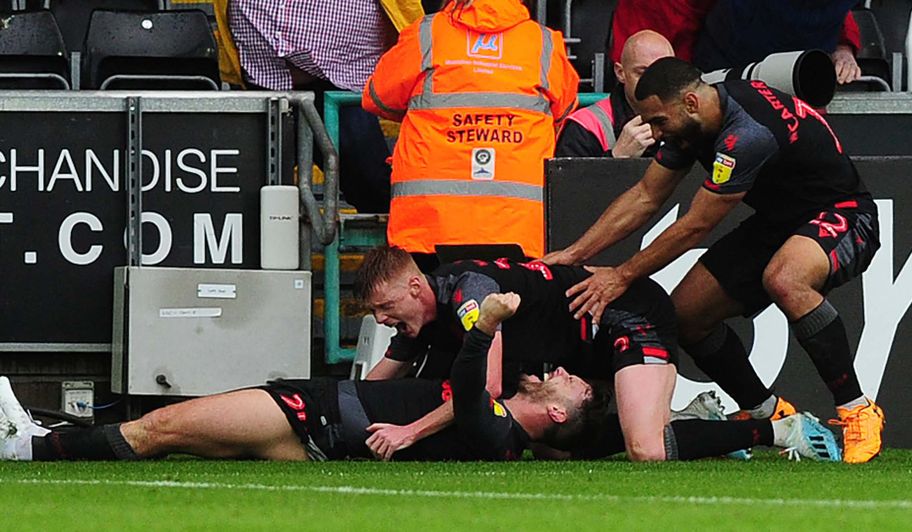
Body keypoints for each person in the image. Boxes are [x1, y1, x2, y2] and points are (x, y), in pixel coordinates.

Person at [544, 57, 884, 463]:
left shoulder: (748, 134)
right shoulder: (691, 121)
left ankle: (857, 410)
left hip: (844, 213)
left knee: (786, 278)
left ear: (690, 102)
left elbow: (696, 226)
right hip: (779, 222)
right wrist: (575, 253)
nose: (655, 134)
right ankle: (768, 412)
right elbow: (645, 196)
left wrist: (621, 275)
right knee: (687, 316)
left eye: (658, 122)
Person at [356, 246, 840, 462]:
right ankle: (692, 421)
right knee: (552, 445)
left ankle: (781, 430)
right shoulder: (420, 316)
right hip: (581, 347)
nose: (381, 319)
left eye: (385, 307)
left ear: (415, 287)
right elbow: (373, 386)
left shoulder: (470, 293)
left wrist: (408, 432)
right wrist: (339, 422)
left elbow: (487, 391)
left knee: (647, 450)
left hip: (627, 316)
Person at [0, 295, 597, 462]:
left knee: (162, 427)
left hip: (313, 417)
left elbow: (469, 388)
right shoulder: (500, 427)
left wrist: (485, 326)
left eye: (578, 386)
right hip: (318, 424)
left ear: (557, 414)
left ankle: (26, 448)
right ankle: (38, 437)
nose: (567, 372)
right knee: (170, 434)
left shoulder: (499, 434)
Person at [363, 0, 579, 266]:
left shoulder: (426, 34)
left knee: (432, 293)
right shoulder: (543, 43)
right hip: (518, 227)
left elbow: (377, 97)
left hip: (430, 226)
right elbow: (565, 110)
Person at [228, 0, 400, 213]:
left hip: (343, 83)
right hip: (261, 80)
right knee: (242, 191)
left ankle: (396, 233)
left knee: (374, 186)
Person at [555, 31, 674, 158]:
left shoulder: (686, 118)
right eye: (642, 73)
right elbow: (568, 171)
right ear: (620, 73)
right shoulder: (586, 125)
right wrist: (617, 156)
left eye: (664, 74)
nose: (654, 83)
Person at [692, 1, 863, 85]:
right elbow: (687, 8)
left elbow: (840, 13)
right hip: (724, 69)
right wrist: (684, 72)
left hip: (801, 79)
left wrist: (843, 47)